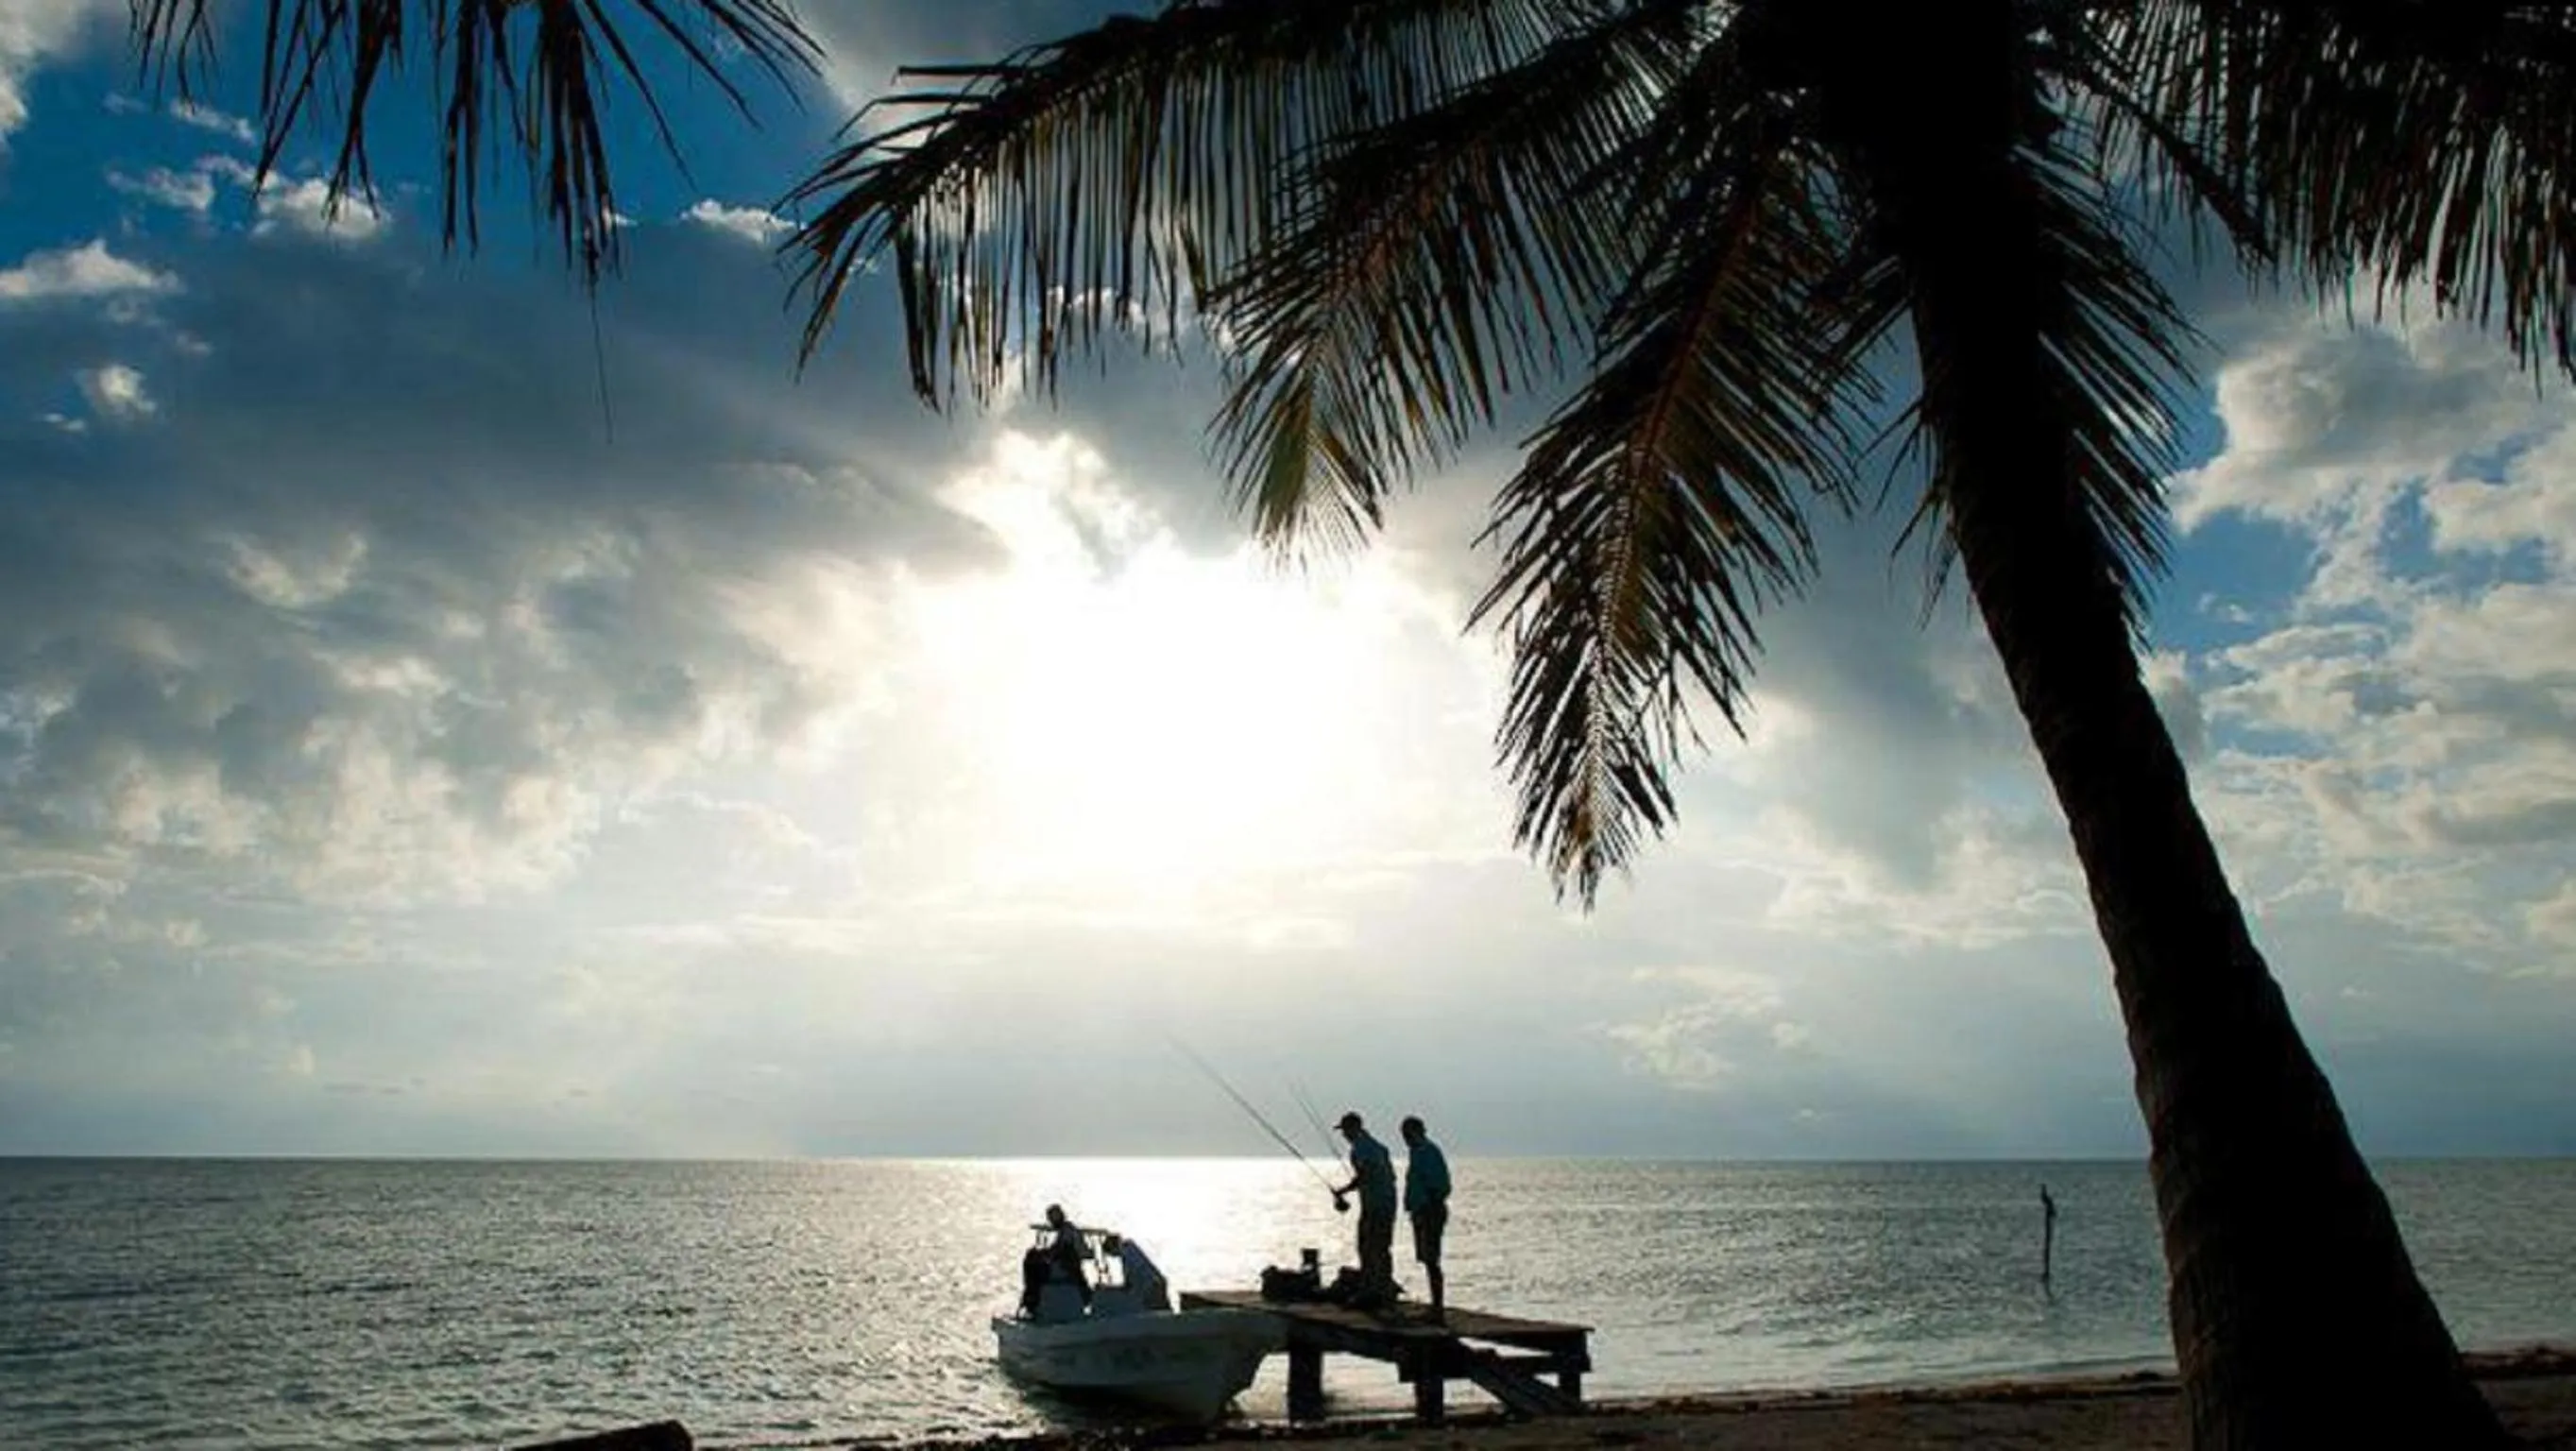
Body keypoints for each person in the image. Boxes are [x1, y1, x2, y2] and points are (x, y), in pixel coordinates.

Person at [1331, 1111, 1397, 1304]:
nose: (1344, 1135)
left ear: (1354, 1128)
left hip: (1375, 1206)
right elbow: (1386, 1175)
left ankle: (1370, 1290)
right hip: (1388, 1203)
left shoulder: (1360, 1149)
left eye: (1345, 1130)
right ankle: (1384, 1286)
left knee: (1367, 1246)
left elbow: (1365, 1174)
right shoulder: (1379, 1146)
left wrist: (1343, 1191)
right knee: (1383, 1247)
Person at [1400, 1115, 1451, 1320]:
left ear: (1417, 1131)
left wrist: (1426, 1209)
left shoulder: (1427, 1151)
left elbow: (1439, 1185)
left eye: (1407, 1133)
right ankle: (1435, 1306)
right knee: (1428, 1259)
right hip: (1422, 1211)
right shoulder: (1417, 1152)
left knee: (1432, 1259)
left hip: (1429, 1211)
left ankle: (1437, 1308)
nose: (1404, 1138)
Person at [1100, 1232, 1170, 1311]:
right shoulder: (1132, 1249)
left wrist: (1109, 1290)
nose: (1114, 1256)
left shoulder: (1127, 1253)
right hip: (1156, 1282)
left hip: (1151, 1287)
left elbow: (1129, 1279)